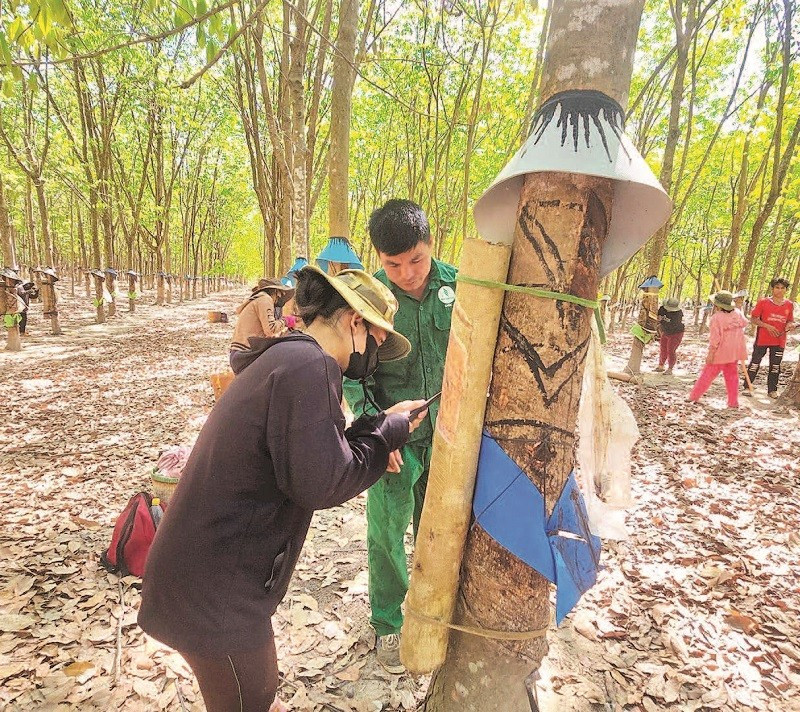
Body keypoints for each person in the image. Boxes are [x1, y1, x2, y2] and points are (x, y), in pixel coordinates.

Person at [138, 266, 428, 712]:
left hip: (208, 573)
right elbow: (322, 482)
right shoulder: (309, 366)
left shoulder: (292, 359)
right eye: (377, 340)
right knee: (250, 696)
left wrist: (381, 426)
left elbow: (315, 455)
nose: (375, 354)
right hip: (213, 588)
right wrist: (388, 432)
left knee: (250, 693)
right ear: (355, 322)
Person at [343, 199, 456, 673]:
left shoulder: (461, 286)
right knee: (387, 530)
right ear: (378, 258)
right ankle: (389, 621)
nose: (407, 274)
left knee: (441, 530)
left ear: (430, 244)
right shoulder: (367, 300)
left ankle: (436, 613)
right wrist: (376, 432)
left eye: (416, 260)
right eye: (393, 264)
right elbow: (353, 373)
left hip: (451, 437)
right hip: (395, 439)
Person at [689, 291, 748, 408]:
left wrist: (711, 353)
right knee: (732, 376)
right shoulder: (738, 313)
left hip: (721, 351)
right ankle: (733, 402)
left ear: (717, 305)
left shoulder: (716, 318)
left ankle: (694, 396)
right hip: (735, 350)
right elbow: (745, 323)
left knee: (708, 373)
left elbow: (715, 338)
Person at [744, 277, 796, 398]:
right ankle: (748, 387)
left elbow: (790, 320)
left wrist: (790, 325)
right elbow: (754, 319)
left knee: (775, 366)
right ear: (772, 288)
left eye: (782, 288)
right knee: (755, 362)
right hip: (762, 339)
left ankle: (772, 390)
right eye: (777, 287)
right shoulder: (763, 302)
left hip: (779, 340)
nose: (780, 290)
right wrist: (767, 326)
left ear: (786, 290)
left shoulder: (789, 305)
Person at [229, 278, 296, 363]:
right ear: (276, 291)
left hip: (241, 353)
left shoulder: (258, 299)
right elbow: (270, 329)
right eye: (281, 293)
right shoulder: (265, 299)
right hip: (245, 354)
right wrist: (286, 321)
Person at [655, 296, 684, 374]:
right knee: (663, 348)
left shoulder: (678, 313)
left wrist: (661, 321)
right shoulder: (662, 309)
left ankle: (670, 368)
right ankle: (661, 365)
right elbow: (658, 316)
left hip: (676, 333)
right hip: (665, 331)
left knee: (671, 350)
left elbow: (673, 325)